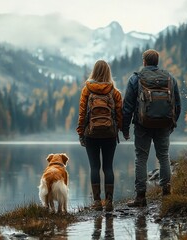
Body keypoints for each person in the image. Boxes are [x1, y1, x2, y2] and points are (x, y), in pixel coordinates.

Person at [122, 49, 181, 207]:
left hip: (142, 125)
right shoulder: (170, 78)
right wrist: (172, 123)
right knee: (163, 157)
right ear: (157, 61)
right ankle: (167, 194)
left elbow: (127, 106)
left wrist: (125, 128)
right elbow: (177, 104)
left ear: (144, 61)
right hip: (164, 124)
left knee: (141, 158)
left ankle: (141, 197)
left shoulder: (136, 78)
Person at [76, 60, 123, 211]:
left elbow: (82, 114)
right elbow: (119, 114)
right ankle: (109, 202)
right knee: (108, 167)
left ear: (94, 72)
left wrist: (80, 132)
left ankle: (97, 203)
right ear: (108, 72)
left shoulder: (87, 90)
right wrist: (120, 129)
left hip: (91, 134)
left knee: (94, 167)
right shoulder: (114, 92)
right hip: (110, 134)